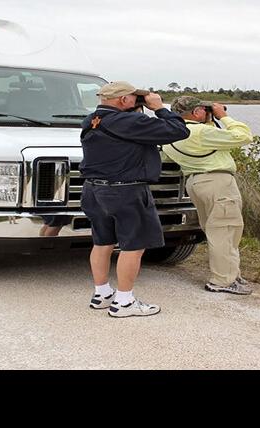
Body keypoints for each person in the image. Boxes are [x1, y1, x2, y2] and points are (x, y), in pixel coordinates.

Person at [79, 81, 190, 318]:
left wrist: (138, 111)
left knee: (102, 243)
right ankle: (125, 301)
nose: (138, 101)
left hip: (93, 190)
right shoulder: (129, 122)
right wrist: (159, 108)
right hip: (125, 191)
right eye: (134, 97)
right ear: (123, 100)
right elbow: (179, 131)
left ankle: (102, 294)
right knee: (133, 247)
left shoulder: (90, 120)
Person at [161, 96, 254, 295]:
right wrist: (224, 116)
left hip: (195, 183)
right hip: (217, 183)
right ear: (196, 112)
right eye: (204, 109)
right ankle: (223, 281)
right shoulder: (201, 132)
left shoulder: (170, 134)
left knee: (216, 231)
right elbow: (244, 136)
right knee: (226, 231)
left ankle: (229, 274)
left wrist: (210, 119)